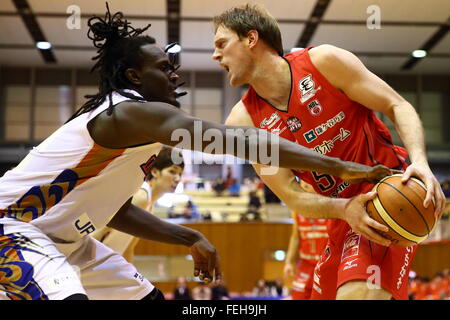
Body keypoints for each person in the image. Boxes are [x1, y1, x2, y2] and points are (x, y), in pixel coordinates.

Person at [0, 5, 391, 300]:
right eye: (164, 68)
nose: (176, 75)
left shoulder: (138, 132)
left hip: (69, 240)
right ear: (136, 78)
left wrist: (189, 237)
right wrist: (338, 166)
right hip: (13, 229)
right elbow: (244, 141)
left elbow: (114, 209)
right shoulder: (130, 112)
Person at [216, 4, 446, 300]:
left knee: (358, 294)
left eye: (222, 44)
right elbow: (291, 195)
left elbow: (397, 105)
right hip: (342, 215)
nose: (215, 55)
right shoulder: (242, 122)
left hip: (387, 196)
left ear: (251, 38)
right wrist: (343, 209)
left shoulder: (324, 61)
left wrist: (421, 162)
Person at [91, 146, 184, 262]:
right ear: (155, 172)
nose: (177, 178)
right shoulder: (141, 196)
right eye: (172, 171)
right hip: (94, 260)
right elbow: (103, 229)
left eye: (180, 174)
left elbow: (129, 247)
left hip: (107, 263)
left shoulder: (151, 205)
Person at [284, 180, 328, 300]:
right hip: (306, 263)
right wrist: (289, 261)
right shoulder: (296, 209)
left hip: (325, 265)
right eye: (303, 180)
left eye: (309, 179)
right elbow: (295, 237)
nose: (305, 184)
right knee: (298, 296)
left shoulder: (331, 207)